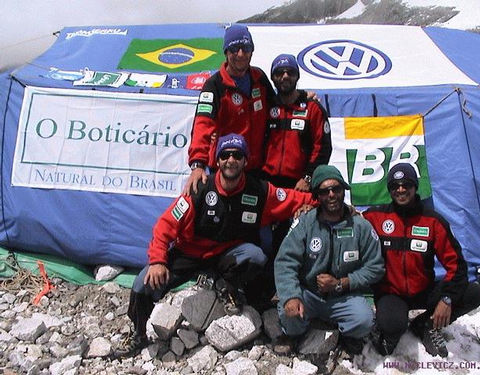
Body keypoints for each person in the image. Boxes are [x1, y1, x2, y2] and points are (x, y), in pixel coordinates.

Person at [121, 133, 315, 356]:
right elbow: (165, 225)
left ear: (245, 160)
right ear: (217, 160)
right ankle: (137, 333)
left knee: (256, 256)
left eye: (237, 155)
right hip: (189, 253)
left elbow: (295, 199)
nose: (231, 160)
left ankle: (225, 286)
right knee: (141, 284)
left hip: (226, 255)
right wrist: (157, 261)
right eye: (225, 155)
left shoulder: (260, 190)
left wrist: (330, 205)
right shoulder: (199, 188)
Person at [363, 163, 480, 357]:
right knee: (393, 325)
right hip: (391, 293)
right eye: (395, 186)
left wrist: (447, 298)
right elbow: (347, 220)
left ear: (415, 187)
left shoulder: (433, 221)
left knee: (474, 293)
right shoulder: (375, 216)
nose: (401, 189)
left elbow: (458, 266)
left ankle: (426, 324)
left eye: (406, 184)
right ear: (389, 189)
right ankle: (391, 332)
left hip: (423, 290)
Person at [273, 165, 385, 356]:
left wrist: (342, 283)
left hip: (343, 297)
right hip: (308, 293)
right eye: (324, 191)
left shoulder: (360, 225)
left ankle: (346, 335)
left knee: (364, 321)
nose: (331, 194)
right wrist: (291, 295)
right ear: (317, 195)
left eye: (336, 189)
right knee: (288, 313)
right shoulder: (305, 222)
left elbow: (375, 267)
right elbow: (285, 261)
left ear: (344, 190)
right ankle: (293, 334)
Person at [184, 24, 275, 194]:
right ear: (226, 52)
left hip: (255, 169)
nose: (240, 54)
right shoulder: (215, 85)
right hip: (225, 169)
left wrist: (301, 97)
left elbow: (278, 107)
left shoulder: (259, 78)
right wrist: (198, 165)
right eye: (234, 49)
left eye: (246, 48)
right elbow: (202, 125)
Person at [262, 53, 332, 192]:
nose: (285, 76)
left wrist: (308, 178)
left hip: (300, 185)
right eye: (279, 73)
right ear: (272, 78)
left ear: (298, 76)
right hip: (267, 184)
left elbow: (323, 148)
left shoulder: (313, 108)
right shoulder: (264, 106)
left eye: (291, 72)